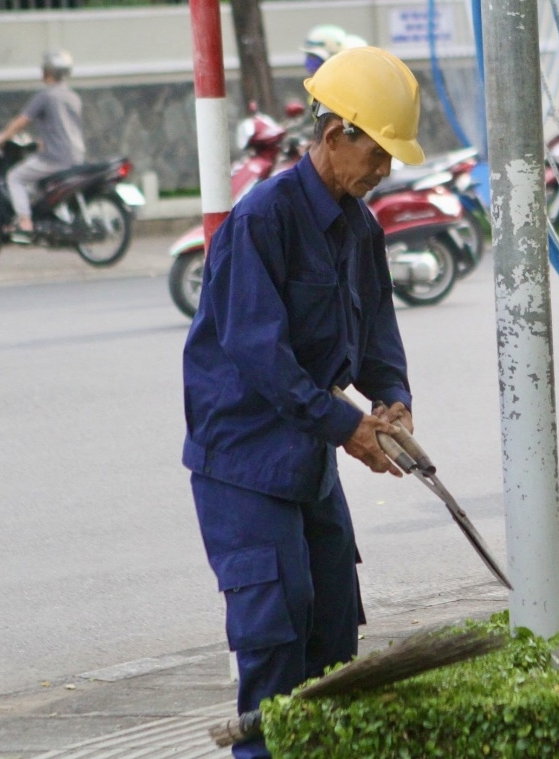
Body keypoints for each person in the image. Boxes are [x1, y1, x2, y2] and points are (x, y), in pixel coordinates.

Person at [181, 45, 426, 759]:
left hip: (307, 454)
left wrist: (394, 402)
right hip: (245, 463)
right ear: (333, 136)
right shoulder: (263, 221)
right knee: (275, 638)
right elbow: (261, 356)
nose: (384, 171)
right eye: (376, 153)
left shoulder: (359, 224)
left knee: (333, 633)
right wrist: (350, 429)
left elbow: (378, 331)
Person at [0, 49, 85, 237]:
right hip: (76, 155)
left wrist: (2, 137)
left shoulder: (45, 96)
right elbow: (62, 127)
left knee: (15, 177)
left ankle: (25, 222)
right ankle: (52, 218)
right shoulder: (73, 97)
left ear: (47, 72)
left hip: (55, 157)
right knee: (38, 185)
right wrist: (42, 141)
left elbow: (22, 121)